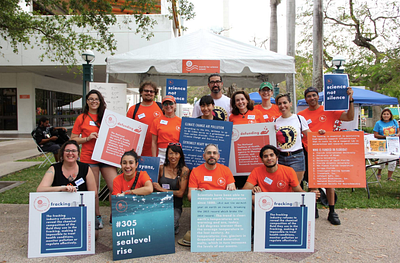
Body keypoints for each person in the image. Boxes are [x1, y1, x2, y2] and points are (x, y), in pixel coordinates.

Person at [298, 86, 354, 225]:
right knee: (312, 182)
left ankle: (332, 211)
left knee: (329, 182)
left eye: (314, 95)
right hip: (309, 150)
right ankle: (314, 207)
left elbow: (349, 117)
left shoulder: (328, 110)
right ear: (306, 99)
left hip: (326, 151)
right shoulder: (302, 115)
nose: (312, 98)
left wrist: (350, 100)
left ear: (318, 97)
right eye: (309, 96)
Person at [71, 89, 118, 228]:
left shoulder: (107, 117)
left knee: (114, 186)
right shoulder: (82, 118)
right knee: (94, 190)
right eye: (91, 99)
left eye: (96, 99)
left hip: (106, 156)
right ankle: (97, 216)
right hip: (89, 157)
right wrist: (87, 138)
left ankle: (114, 215)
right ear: (87, 101)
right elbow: (73, 139)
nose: (94, 102)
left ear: (100, 101)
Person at [37, 140, 99, 240]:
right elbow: (40, 190)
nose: (70, 153)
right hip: (60, 211)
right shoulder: (54, 168)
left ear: (78, 154)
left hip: (81, 209)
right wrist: (62, 188)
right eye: (67, 151)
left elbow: (94, 193)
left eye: (74, 151)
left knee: (93, 236)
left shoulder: (85, 168)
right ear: (62, 153)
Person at [242, 145, 319, 203]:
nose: (269, 158)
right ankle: (254, 220)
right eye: (265, 156)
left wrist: (310, 195)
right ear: (262, 160)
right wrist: (253, 189)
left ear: (277, 157)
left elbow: (298, 190)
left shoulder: (289, 171)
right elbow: (244, 191)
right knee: (249, 198)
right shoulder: (256, 171)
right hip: (265, 202)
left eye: (271, 155)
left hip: (283, 202)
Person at [153, 143, 189, 235]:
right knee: (155, 227)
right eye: (171, 153)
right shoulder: (161, 168)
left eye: (176, 154)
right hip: (161, 203)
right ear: (167, 155)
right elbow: (154, 186)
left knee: (168, 228)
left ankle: (175, 224)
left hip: (174, 205)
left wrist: (163, 190)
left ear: (180, 155)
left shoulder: (184, 170)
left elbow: (181, 193)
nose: (173, 156)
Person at [274, 93, 311, 183]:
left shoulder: (299, 119)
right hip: (281, 157)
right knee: (283, 185)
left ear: (290, 104)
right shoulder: (275, 121)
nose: (282, 106)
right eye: (279, 103)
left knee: (296, 185)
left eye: (285, 102)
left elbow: (310, 136)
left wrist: (321, 135)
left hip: (297, 157)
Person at [126, 81, 163, 156]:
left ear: (155, 93)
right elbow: (127, 130)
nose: (149, 93)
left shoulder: (161, 108)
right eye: (146, 90)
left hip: (158, 152)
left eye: (152, 91)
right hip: (138, 152)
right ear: (141, 92)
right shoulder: (133, 109)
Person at [150, 95, 182, 164]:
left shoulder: (181, 121)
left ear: (175, 105)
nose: (168, 106)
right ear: (162, 106)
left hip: (176, 154)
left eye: (170, 103)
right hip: (162, 154)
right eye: (165, 104)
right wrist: (154, 159)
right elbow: (153, 142)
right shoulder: (156, 121)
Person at [373, 108, 400, 181]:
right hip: (383, 144)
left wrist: (397, 135)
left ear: (390, 115)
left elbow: (398, 131)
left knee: (393, 160)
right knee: (382, 159)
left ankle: (389, 177)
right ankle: (379, 173)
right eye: (384, 114)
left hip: (393, 144)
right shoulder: (378, 123)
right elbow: (375, 135)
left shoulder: (394, 122)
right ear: (382, 115)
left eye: (387, 114)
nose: (386, 115)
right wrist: (385, 137)